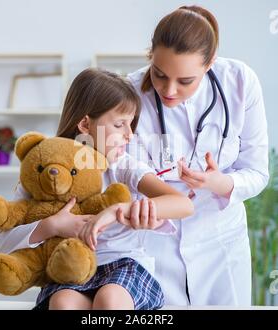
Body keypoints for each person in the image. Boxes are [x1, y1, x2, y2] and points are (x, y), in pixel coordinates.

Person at [0, 68, 194, 310]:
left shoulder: (123, 166)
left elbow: (183, 204)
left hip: (123, 265)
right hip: (69, 271)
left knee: (110, 301)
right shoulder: (44, 172)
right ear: (85, 124)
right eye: (120, 124)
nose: (129, 135)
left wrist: (120, 208)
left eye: (131, 124)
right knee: (62, 302)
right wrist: (52, 225)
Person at [125, 5, 269, 306]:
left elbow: (257, 173)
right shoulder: (130, 92)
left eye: (185, 81)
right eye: (159, 74)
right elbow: (122, 170)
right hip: (155, 241)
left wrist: (220, 182)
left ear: (210, 63)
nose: (169, 90)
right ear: (151, 55)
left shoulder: (240, 82)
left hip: (220, 241)